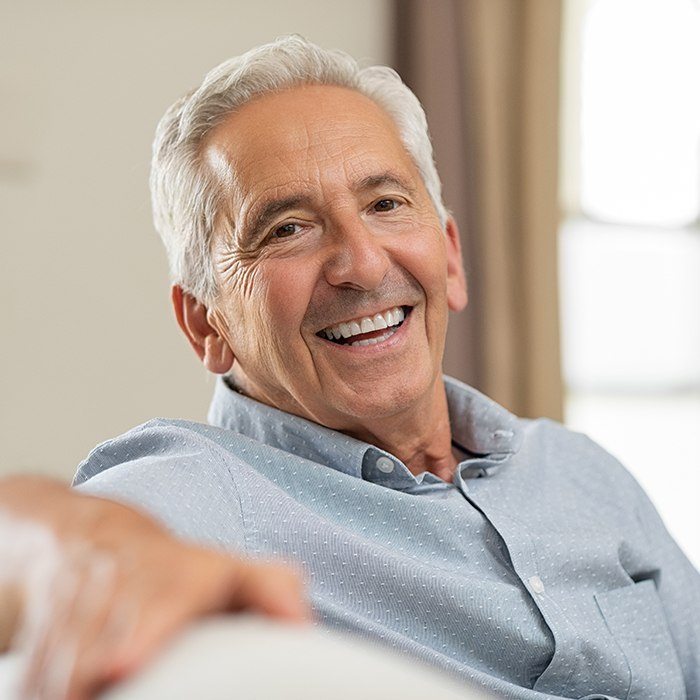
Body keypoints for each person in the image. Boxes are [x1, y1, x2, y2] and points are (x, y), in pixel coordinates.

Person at [1, 36, 698, 700]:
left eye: (386, 204)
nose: (362, 265)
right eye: (287, 229)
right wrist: (85, 549)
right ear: (206, 324)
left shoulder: (581, 471)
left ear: (450, 257)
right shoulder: (207, 488)